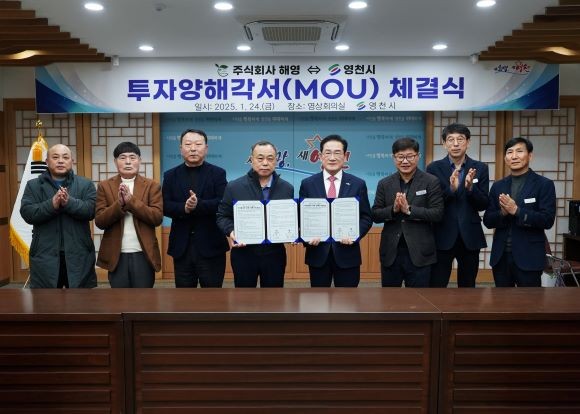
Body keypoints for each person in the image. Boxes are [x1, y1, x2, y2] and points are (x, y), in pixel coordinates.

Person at [216, 141, 294, 288]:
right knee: (244, 298)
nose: (265, 163)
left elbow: (290, 218)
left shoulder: (287, 188)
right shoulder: (234, 186)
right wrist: (232, 231)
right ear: (251, 160)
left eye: (270, 158)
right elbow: (222, 216)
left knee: (274, 297)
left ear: (276, 160)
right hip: (244, 253)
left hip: (274, 254)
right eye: (260, 158)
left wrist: (294, 232)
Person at [299, 134, 372, 287]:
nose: (332, 157)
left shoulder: (357, 184)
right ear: (320, 156)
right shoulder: (307, 184)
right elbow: (301, 217)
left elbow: (366, 217)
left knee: (348, 299)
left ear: (345, 156)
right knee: (318, 299)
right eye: (328, 153)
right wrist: (306, 236)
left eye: (337, 153)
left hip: (348, 254)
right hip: (318, 254)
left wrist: (354, 234)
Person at [20, 144, 97, 288]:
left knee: (80, 300)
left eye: (65, 157)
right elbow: (27, 213)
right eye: (55, 157)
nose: (60, 161)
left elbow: (91, 211)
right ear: (47, 161)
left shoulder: (85, 184)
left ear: (72, 161)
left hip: (79, 254)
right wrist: (52, 204)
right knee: (46, 300)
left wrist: (69, 203)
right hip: (44, 255)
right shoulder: (33, 185)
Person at [483, 137, 556, 287]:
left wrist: (517, 211)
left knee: (530, 301)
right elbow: (488, 220)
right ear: (505, 158)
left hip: (530, 256)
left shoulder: (544, 184)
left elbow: (547, 220)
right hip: (501, 257)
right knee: (502, 300)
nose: (514, 156)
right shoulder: (498, 186)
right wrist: (503, 213)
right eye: (510, 152)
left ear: (530, 156)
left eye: (519, 151)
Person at [372, 137, 444, 287]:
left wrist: (409, 210)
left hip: (420, 252)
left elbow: (437, 213)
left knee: (419, 299)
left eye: (410, 156)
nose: (405, 161)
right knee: (390, 298)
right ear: (394, 158)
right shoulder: (384, 184)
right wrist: (393, 210)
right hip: (391, 252)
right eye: (400, 157)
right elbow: (375, 214)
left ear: (418, 156)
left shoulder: (431, 181)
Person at [162, 129, 229, 288]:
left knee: (213, 296)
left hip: (211, 245)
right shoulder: (170, 175)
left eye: (198, 144)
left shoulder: (218, 173)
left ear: (206, 148)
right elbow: (165, 205)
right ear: (181, 149)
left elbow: (223, 203)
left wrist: (198, 204)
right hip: (182, 247)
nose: (193, 148)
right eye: (188, 144)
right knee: (184, 297)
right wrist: (184, 208)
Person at [426, 123, 489, 287]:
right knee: (437, 284)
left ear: (468, 142)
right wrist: (451, 190)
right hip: (442, 233)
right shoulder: (433, 168)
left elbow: (483, 204)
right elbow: (432, 202)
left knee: (468, 286)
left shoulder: (480, 168)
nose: (455, 144)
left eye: (460, 139)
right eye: (450, 139)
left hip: (470, 234)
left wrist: (470, 188)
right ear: (444, 143)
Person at [95, 142, 163, 288]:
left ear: (139, 160)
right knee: (119, 298)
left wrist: (131, 202)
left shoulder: (152, 185)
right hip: (116, 255)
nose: (127, 162)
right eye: (122, 157)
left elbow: (157, 217)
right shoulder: (104, 186)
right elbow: (100, 221)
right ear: (115, 161)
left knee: (143, 299)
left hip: (143, 253)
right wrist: (119, 205)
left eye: (132, 157)